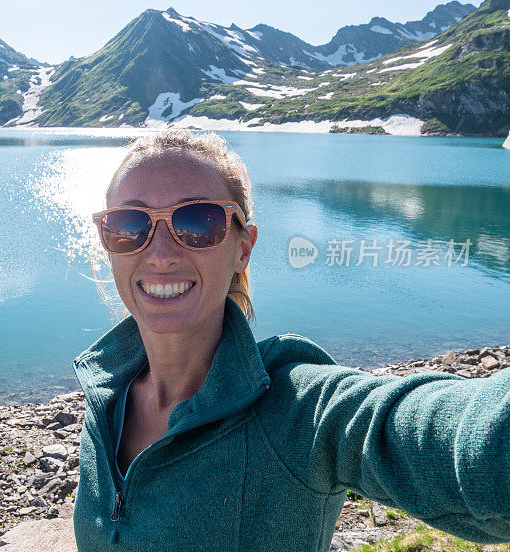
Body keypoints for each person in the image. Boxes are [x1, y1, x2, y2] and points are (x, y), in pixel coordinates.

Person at [70, 129, 510, 551]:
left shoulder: (298, 411)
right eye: (129, 225)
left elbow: (451, 440)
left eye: (198, 223)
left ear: (243, 246)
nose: (162, 254)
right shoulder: (107, 393)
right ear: (107, 242)